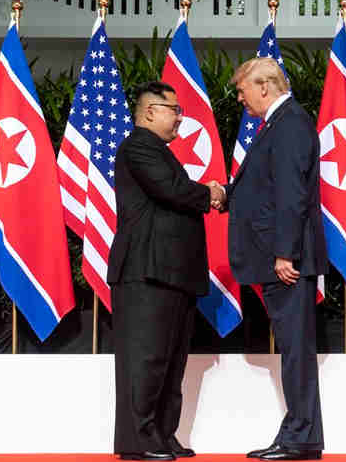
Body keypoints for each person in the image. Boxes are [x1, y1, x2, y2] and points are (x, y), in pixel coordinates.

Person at [214, 57, 327, 461]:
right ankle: (304, 436)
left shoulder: (291, 124)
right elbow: (265, 189)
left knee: (296, 349)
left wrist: (285, 253)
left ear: (265, 86)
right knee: (295, 348)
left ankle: (299, 438)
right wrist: (226, 194)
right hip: (279, 256)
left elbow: (292, 195)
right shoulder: (280, 125)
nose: (240, 97)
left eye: (243, 90)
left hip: (286, 260)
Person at [107, 81, 225, 461]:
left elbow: (174, 189)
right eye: (174, 110)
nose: (179, 117)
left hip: (172, 272)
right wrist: (211, 194)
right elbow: (171, 190)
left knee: (170, 363)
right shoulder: (139, 145)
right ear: (150, 111)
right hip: (145, 271)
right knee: (146, 359)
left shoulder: (158, 150)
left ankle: (162, 435)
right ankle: (139, 441)